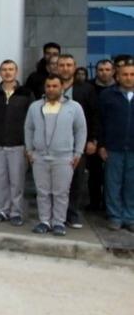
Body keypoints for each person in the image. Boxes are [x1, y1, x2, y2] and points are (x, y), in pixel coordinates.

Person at [25, 75, 87, 237]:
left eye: (55, 86)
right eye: (48, 86)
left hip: (64, 157)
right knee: (42, 192)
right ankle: (44, 221)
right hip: (40, 157)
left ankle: (59, 222)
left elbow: (81, 130)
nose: (51, 89)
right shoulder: (35, 107)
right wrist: (30, 151)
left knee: (61, 192)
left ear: (62, 88)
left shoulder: (74, 107)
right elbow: (29, 129)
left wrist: (78, 153)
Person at [0, 60, 34, 226]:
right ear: (0, 73)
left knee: (17, 181)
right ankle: (2, 210)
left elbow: (31, 121)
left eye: (11, 69)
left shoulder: (26, 93)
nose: (7, 72)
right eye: (4, 70)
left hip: (18, 144)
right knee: (0, 180)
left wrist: (29, 145)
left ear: (16, 72)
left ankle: (16, 212)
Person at [56, 54, 100, 229]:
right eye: (62, 65)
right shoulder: (50, 86)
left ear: (74, 67)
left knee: (76, 180)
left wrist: (93, 140)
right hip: (55, 143)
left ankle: (72, 214)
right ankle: (55, 214)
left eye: (69, 65)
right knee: (56, 182)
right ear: (56, 67)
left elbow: (95, 115)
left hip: (78, 143)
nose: (65, 68)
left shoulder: (86, 89)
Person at [98, 59, 134, 232]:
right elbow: (100, 122)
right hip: (113, 147)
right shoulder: (107, 95)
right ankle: (114, 216)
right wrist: (101, 145)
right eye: (125, 74)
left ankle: (130, 217)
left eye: (132, 74)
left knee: (131, 184)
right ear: (117, 77)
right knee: (113, 184)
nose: (129, 77)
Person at [88, 59, 116, 211]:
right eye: (101, 70)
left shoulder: (119, 89)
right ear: (96, 71)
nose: (104, 73)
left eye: (107, 70)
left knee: (112, 177)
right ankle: (94, 203)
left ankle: (109, 205)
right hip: (94, 136)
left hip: (112, 138)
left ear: (113, 71)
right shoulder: (89, 88)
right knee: (94, 174)